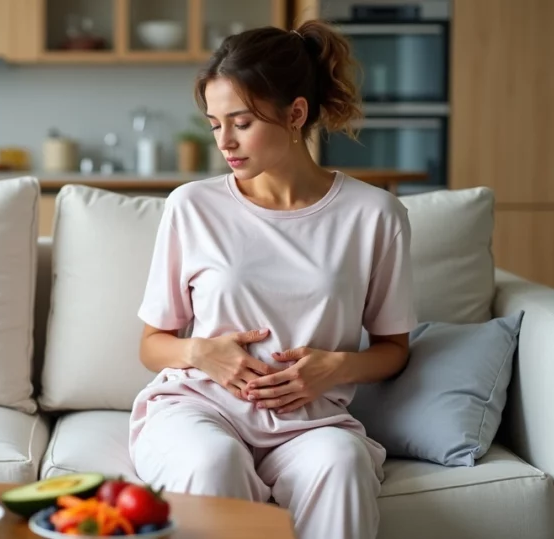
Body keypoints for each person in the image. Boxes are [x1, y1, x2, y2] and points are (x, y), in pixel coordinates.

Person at [128, 20, 418, 539]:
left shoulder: (375, 215)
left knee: (342, 466)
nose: (225, 141)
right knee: (212, 460)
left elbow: (394, 348)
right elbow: (152, 346)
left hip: (311, 423)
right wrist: (200, 352)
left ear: (296, 113)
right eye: (215, 124)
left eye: (240, 122)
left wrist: (336, 367)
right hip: (199, 409)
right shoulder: (192, 207)